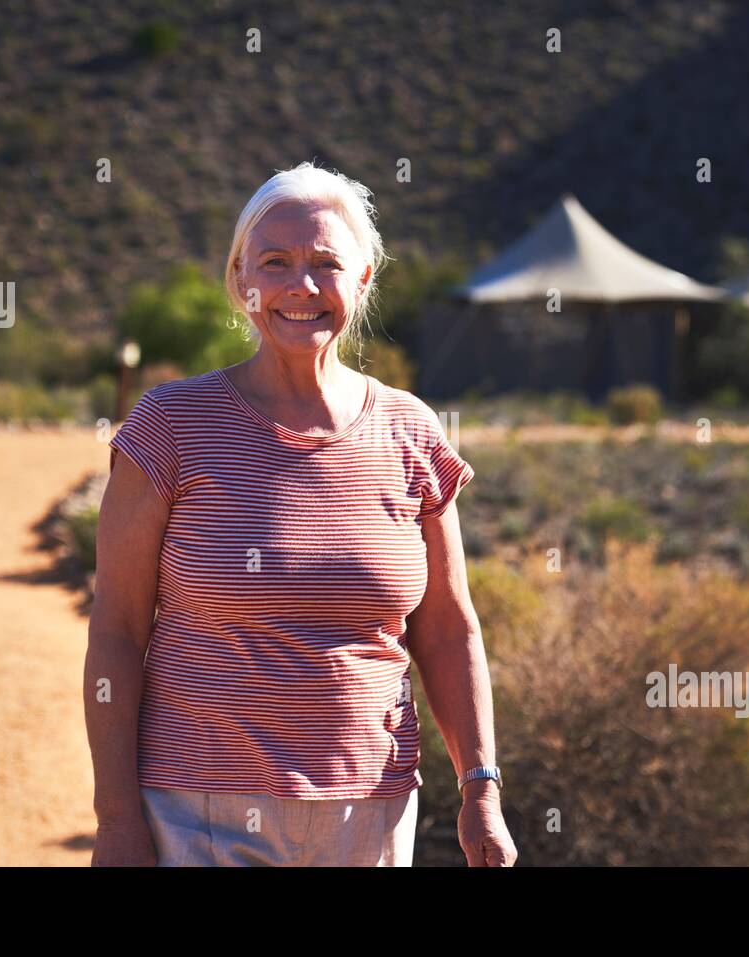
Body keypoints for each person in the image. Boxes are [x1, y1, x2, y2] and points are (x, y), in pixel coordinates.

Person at [85, 161, 516, 867]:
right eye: (276, 262)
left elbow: (447, 627)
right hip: (197, 812)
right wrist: (117, 819)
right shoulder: (169, 425)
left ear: (364, 280)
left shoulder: (411, 430)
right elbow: (116, 632)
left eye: (326, 263)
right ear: (239, 280)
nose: (301, 285)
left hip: (371, 814)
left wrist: (481, 788)